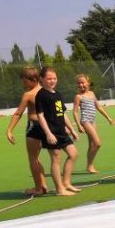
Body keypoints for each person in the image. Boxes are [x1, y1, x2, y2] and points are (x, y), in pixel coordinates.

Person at [34, 67, 81, 196]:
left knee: (73, 154)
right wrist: (48, 133)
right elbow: (40, 116)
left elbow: (63, 113)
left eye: (54, 78)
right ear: (41, 79)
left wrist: (72, 129)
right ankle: (59, 189)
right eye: (49, 78)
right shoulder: (41, 95)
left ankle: (66, 183)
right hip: (51, 133)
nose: (52, 81)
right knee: (56, 159)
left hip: (62, 132)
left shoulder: (57, 94)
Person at [5, 66, 48, 196]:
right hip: (48, 127)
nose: (24, 84)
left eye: (25, 81)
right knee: (41, 158)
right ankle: (43, 185)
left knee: (33, 158)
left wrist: (9, 130)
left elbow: (18, 113)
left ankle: (38, 188)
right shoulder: (47, 91)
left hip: (34, 127)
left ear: (33, 79)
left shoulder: (28, 95)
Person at [72, 73, 115, 173]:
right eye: (79, 83)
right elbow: (75, 112)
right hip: (85, 121)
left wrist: (108, 118)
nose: (80, 85)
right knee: (97, 143)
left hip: (93, 121)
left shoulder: (92, 94)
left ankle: (89, 166)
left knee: (92, 144)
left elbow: (98, 107)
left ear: (88, 82)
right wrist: (78, 125)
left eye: (82, 82)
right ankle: (90, 165)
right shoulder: (78, 97)